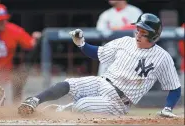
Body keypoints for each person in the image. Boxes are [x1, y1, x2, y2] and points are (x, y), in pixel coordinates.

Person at [18, 13, 181, 118]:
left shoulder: (163, 57)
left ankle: (59, 111)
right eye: (137, 30)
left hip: (119, 101)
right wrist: (82, 44)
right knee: (69, 84)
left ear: (154, 36)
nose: (138, 34)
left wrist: (168, 108)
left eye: (143, 33)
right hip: (102, 81)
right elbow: (98, 53)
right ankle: (34, 101)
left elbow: (174, 87)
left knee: (83, 105)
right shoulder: (125, 41)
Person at [0, 3, 41, 104]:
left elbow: (30, 43)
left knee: (21, 73)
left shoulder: (12, 30)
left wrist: (37, 38)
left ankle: (16, 105)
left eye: (4, 19)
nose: (3, 23)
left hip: (4, 75)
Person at [96, 0, 142, 75]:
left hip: (130, 53)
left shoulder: (135, 11)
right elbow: (100, 31)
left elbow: (139, 28)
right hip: (110, 53)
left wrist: (118, 29)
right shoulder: (106, 14)